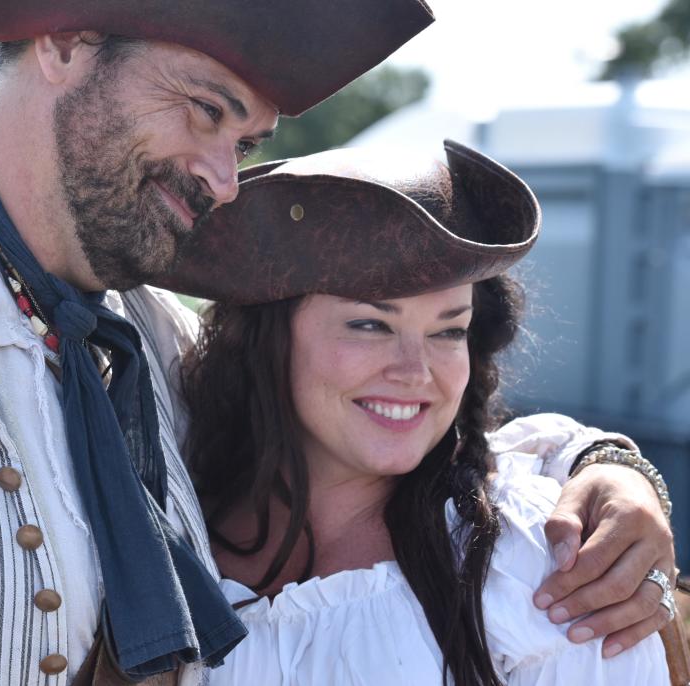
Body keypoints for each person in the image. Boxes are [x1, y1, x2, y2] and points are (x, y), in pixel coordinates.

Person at [0, 1, 673, 684]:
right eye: (204, 110)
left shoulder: (141, 336)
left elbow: (381, 421)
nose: (226, 180)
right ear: (64, 35)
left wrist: (609, 466)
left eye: (249, 138)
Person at [161, 142, 672, 684]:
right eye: (369, 324)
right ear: (267, 338)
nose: (416, 372)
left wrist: (613, 462)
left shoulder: (539, 568)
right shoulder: (167, 515)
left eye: (448, 331)